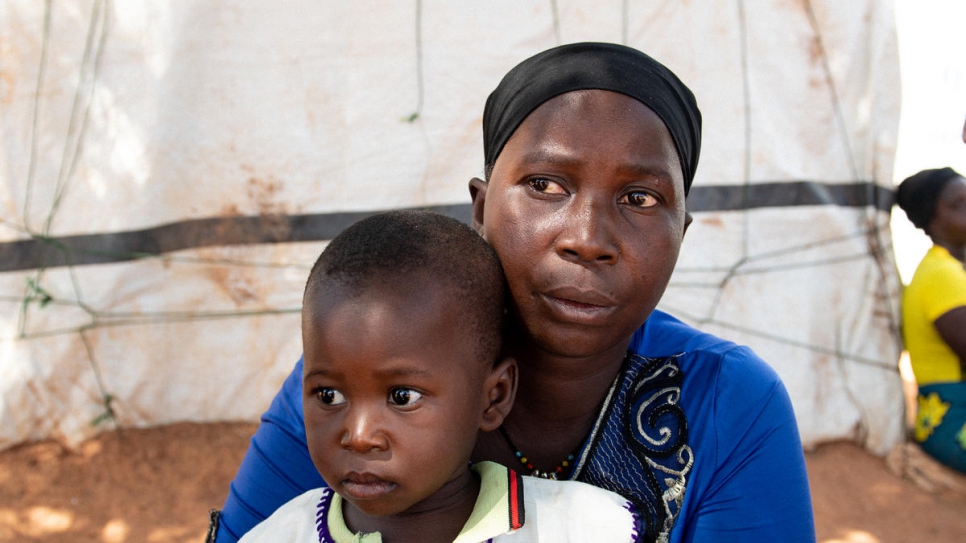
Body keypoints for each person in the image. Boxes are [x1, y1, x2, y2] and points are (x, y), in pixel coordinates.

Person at [211, 42, 816, 543]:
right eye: (546, 185)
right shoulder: (358, 378)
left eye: (640, 199)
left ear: (680, 234)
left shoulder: (728, 403)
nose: (587, 239)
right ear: (481, 208)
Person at [236, 210, 641, 542]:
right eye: (328, 396)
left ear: (494, 397)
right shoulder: (278, 536)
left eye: (401, 397)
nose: (358, 435)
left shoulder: (580, 528)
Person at [895, 167, 966, 474]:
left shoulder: (950, 270)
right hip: (952, 422)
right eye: (958, 205)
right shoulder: (940, 274)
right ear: (931, 222)